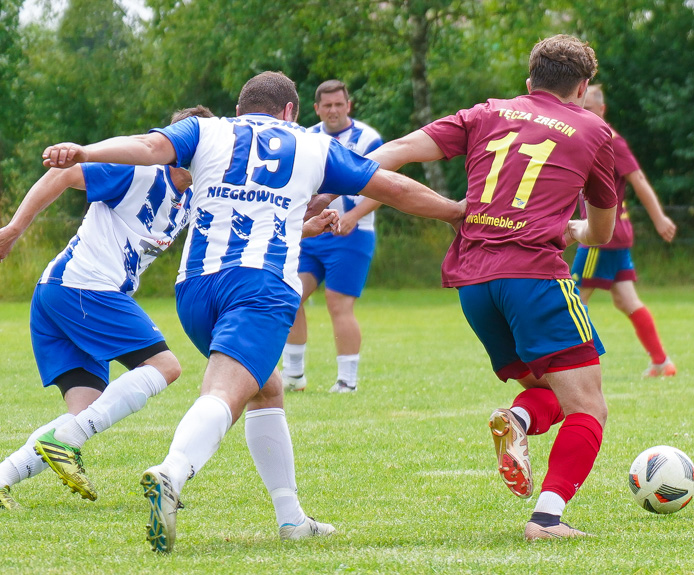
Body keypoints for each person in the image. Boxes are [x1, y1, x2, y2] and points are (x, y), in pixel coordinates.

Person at [41, 71, 464, 552]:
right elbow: (393, 187)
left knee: (266, 389)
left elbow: (147, 146)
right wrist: (454, 212)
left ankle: (292, 518)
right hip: (260, 286)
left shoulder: (205, 130)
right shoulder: (310, 144)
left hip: (195, 290)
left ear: (240, 108)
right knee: (227, 389)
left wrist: (86, 150)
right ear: (290, 111)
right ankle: (172, 473)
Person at [367, 35, 617, 540]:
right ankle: (547, 519)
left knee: (544, 389)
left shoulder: (486, 112)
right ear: (583, 86)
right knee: (588, 407)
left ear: (530, 81)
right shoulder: (593, 129)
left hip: (474, 283)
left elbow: (394, 151)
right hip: (534, 276)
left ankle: (519, 420)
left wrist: (327, 189)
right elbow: (603, 231)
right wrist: (578, 231)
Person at [0, 106, 213, 510]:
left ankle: (3, 476)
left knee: (86, 409)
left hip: (62, 292)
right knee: (167, 367)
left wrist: (305, 226)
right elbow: (64, 174)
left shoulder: (194, 197)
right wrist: (13, 230)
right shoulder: (140, 172)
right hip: (83, 288)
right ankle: (65, 443)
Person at [282, 79, 385, 393]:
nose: (333, 110)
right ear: (316, 109)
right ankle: (294, 375)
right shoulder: (306, 137)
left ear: (348, 105)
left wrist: (353, 216)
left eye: (339, 104)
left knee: (338, 304)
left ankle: (347, 381)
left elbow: (385, 186)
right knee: (290, 295)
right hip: (312, 233)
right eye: (326, 105)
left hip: (352, 234)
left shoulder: (368, 138)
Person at [570, 84, 677, 377]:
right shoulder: (586, 137)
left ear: (602, 111)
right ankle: (661, 361)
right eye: (579, 106)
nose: (582, 112)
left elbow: (639, 179)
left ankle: (573, 368)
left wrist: (659, 219)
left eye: (588, 109)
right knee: (626, 300)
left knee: (572, 301)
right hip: (617, 235)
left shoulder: (610, 141)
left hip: (600, 236)